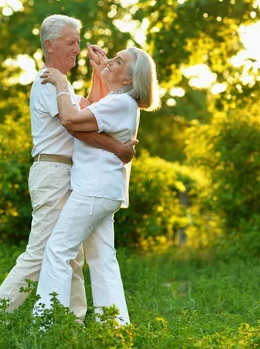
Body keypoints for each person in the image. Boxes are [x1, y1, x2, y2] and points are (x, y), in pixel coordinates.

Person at [0, 15, 137, 321]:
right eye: (71, 43)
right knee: (42, 252)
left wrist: (99, 73)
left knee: (72, 256)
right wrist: (118, 148)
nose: (77, 49)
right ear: (50, 45)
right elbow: (75, 127)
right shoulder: (48, 80)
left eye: (79, 42)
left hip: (69, 174)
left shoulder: (62, 83)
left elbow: (92, 110)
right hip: (53, 172)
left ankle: (72, 323)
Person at [33, 45, 160, 326]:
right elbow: (91, 112)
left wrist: (62, 84)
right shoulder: (119, 101)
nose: (111, 61)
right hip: (105, 191)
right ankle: (115, 328)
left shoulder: (120, 103)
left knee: (58, 250)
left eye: (118, 61)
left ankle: (44, 327)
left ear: (128, 78)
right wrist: (99, 70)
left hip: (93, 190)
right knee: (103, 259)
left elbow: (69, 119)